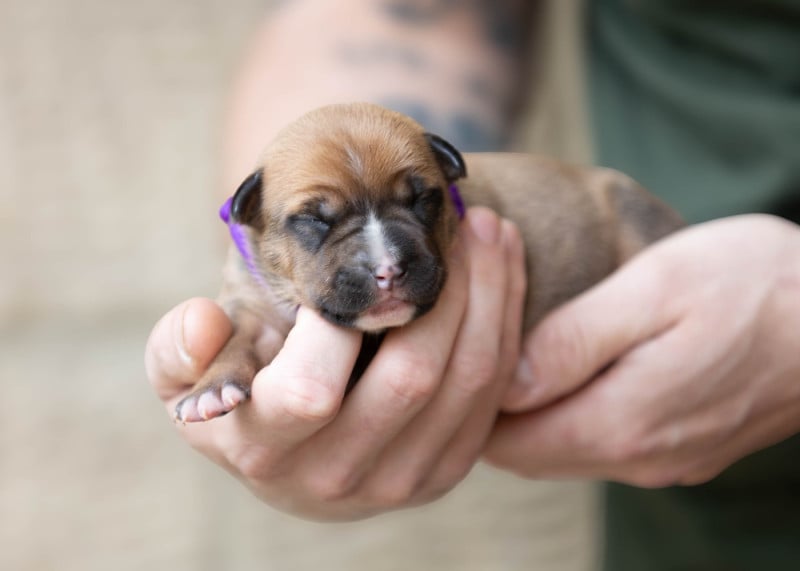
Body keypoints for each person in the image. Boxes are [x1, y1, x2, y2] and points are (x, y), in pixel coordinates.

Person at [145, 0, 800, 568]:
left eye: (419, 203)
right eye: (318, 222)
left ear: (448, 176)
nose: (385, 262)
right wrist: (241, 376)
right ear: (253, 220)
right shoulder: (257, 252)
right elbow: (411, 23)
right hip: (707, 518)